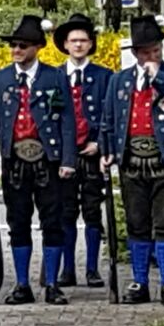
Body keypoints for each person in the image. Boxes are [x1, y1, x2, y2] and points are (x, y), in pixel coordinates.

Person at [101, 15, 164, 305]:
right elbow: (109, 120)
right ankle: (139, 281)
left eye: (155, 50)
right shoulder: (119, 81)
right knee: (136, 222)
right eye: (145, 53)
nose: (151, 57)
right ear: (135, 54)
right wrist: (107, 151)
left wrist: (160, 76)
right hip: (132, 161)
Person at [0, 14, 77, 305]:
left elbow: (66, 120)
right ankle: (22, 284)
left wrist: (68, 159)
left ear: (37, 47)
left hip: (47, 158)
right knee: (18, 222)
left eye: (22, 46)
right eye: (13, 46)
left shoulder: (55, 77)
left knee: (53, 221)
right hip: (15, 161)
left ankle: (51, 283)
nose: (16, 51)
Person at [52, 14, 112, 287]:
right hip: (64, 156)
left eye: (83, 41)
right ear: (65, 44)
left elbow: (109, 115)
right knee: (65, 212)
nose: (78, 45)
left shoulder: (104, 76)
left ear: (90, 44)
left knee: (91, 212)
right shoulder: (53, 76)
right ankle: (67, 269)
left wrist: (99, 143)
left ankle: (91, 269)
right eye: (73, 41)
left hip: (92, 154)